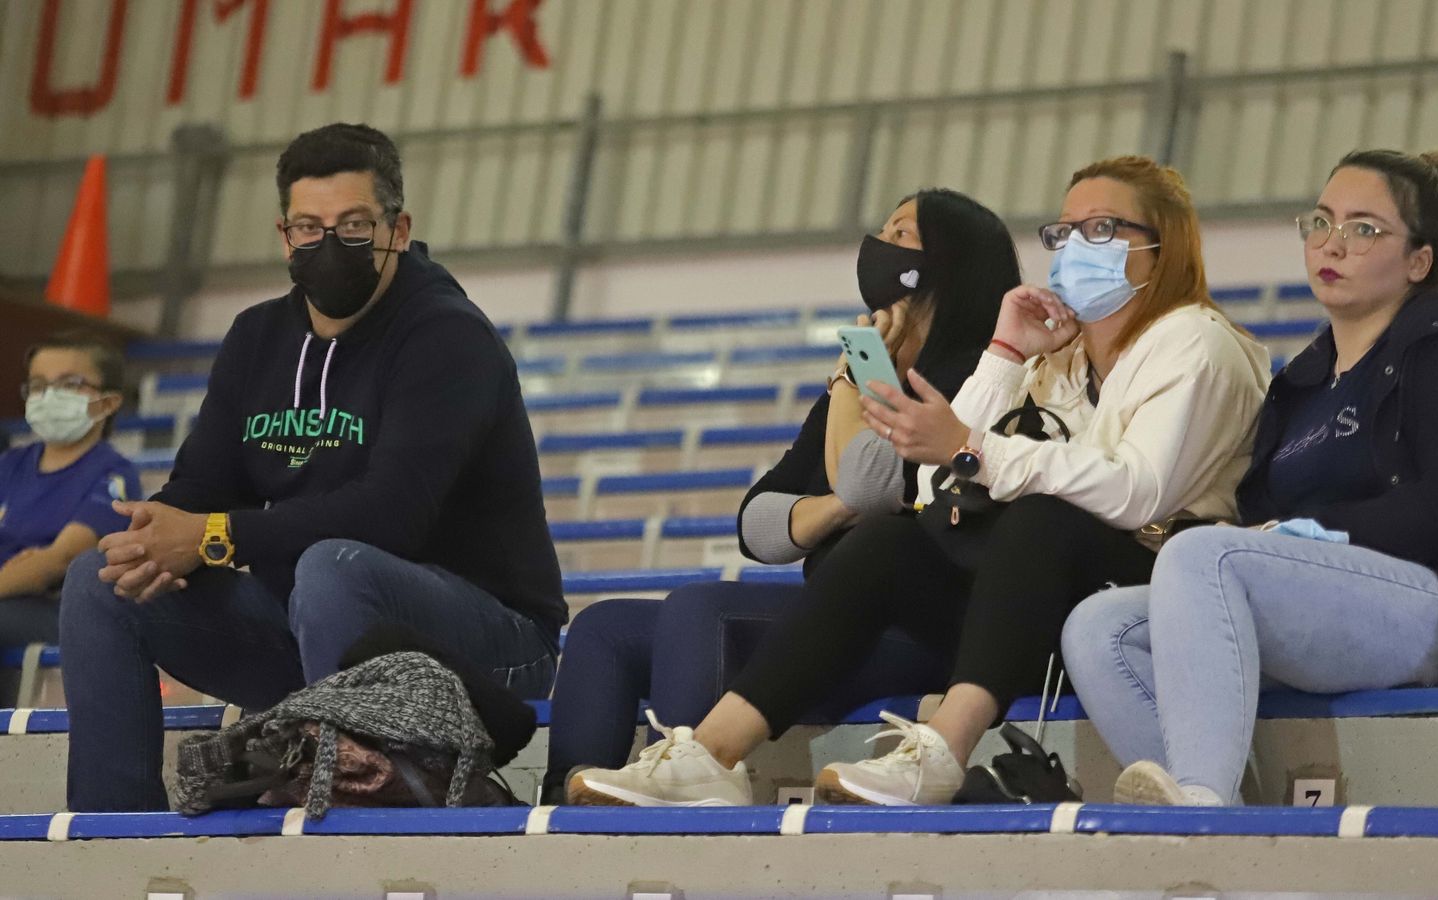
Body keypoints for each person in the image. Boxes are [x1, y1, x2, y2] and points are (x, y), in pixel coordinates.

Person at [568, 155, 1271, 807]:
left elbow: (1136, 491)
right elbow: (936, 487)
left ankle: (942, 751)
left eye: (1102, 229)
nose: (1074, 247)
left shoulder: (1195, 341)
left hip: (1146, 585)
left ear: (1164, 245)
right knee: (887, 543)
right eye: (1063, 232)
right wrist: (1006, 353)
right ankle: (711, 757)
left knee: (1041, 516)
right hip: (1030, 598)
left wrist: (959, 438)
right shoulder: (1058, 359)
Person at [59, 123, 566, 812]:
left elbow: (391, 515)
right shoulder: (257, 336)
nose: (329, 245)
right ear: (284, 235)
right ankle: (109, 833)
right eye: (308, 227)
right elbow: (204, 485)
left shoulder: (448, 336)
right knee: (100, 579)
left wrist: (213, 536)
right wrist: (156, 535)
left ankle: (346, 808)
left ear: (397, 229)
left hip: (490, 641)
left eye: (353, 226)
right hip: (314, 625)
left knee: (335, 566)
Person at [1063, 148, 1438, 808]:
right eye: (1321, 222)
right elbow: (1258, 517)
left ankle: (1201, 802)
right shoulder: (1302, 382)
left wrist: (1319, 533)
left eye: (1364, 229)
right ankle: (1222, 824)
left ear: (1418, 261)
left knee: (1204, 557)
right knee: (1101, 627)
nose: (1332, 243)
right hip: (1331, 606)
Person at [549, 189, 1020, 803]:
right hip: (829, 620)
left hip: (915, 633)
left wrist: (855, 374)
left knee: (700, 610)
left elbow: (865, 484)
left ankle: (688, 796)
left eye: (901, 234)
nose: (880, 245)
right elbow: (759, 523)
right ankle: (561, 815)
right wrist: (839, 508)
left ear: (949, 262)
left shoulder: (971, 380)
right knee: (604, 628)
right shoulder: (870, 380)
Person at [0, 332, 139, 646]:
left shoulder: (114, 476)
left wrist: (37, 564)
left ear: (108, 402)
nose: (49, 397)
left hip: (58, 613)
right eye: (38, 385)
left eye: (69, 384)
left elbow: (57, 562)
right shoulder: (10, 464)